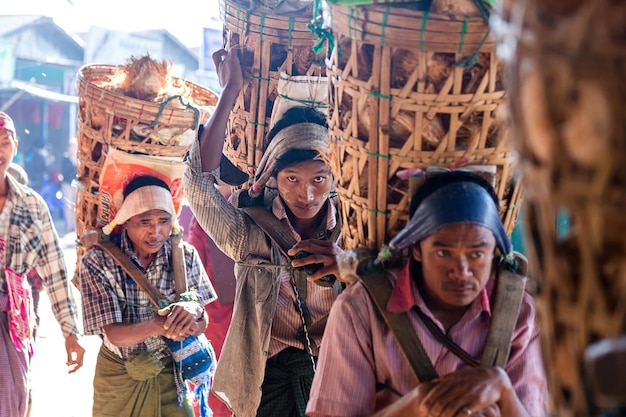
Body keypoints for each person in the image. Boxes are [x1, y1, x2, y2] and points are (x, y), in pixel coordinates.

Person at [183, 47, 347, 417]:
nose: (306, 194)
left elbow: (396, 275)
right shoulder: (251, 233)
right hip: (266, 383)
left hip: (339, 378)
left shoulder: (353, 236)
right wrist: (230, 91)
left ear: (333, 180)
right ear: (273, 178)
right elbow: (197, 183)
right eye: (292, 179)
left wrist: (350, 265)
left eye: (319, 179)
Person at [306, 171, 548, 417]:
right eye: (444, 253)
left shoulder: (520, 315)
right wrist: (418, 405)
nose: (462, 272)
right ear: (417, 249)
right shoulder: (361, 310)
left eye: (477, 254)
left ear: (494, 251)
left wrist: (503, 390)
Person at [79, 174, 218, 417]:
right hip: (119, 380)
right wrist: (159, 326)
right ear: (126, 221)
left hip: (170, 376)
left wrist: (192, 315)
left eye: (163, 221)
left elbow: (202, 322)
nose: (155, 232)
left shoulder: (185, 256)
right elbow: (113, 334)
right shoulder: (98, 261)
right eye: (144, 222)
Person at [0, 111, 85, 417]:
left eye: (5, 141)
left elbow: (55, 270)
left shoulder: (32, 204)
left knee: (13, 399)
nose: (0, 150)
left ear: (16, 146)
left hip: (13, 326)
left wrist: (70, 332)